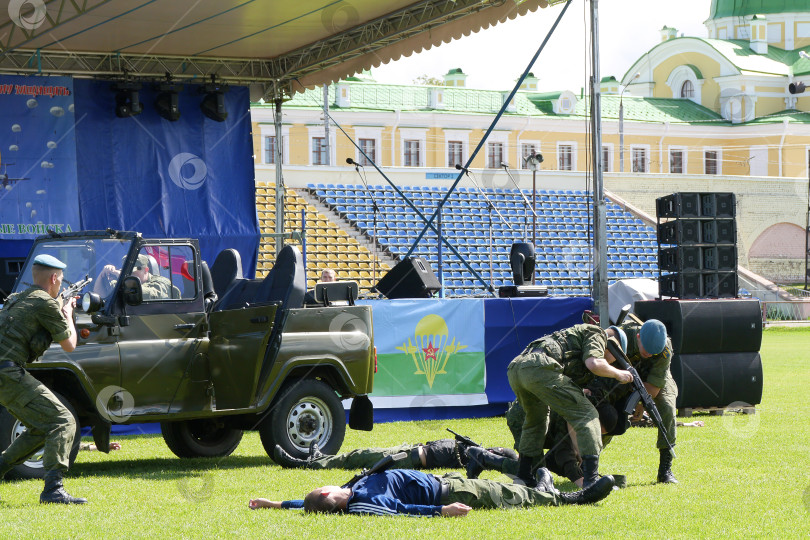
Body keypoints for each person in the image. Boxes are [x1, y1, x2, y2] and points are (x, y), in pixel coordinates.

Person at [0, 254, 87, 504]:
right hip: (8, 372)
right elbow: (70, 344)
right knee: (63, 421)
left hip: (4, 374)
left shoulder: (18, 299)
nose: (60, 283)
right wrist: (68, 312)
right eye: (60, 279)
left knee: (41, 427)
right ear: (53, 278)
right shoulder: (46, 305)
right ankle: (53, 489)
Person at [507, 324, 632, 488]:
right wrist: (619, 374)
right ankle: (591, 480)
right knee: (588, 414)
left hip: (517, 368)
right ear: (613, 345)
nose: (611, 361)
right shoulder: (598, 333)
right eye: (614, 357)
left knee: (536, 421)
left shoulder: (578, 337)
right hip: (540, 367)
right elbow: (594, 363)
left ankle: (524, 476)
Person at [248, 468, 616, 516]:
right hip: (444, 492)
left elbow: (306, 503)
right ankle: (570, 497)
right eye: (325, 487)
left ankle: (541, 487)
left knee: (498, 486)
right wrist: (442, 512)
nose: (331, 484)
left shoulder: (348, 490)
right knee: (502, 495)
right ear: (329, 497)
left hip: (442, 479)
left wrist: (276, 503)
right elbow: (403, 510)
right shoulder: (364, 503)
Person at [468, 398, 620, 487]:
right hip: (524, 419)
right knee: (535, 474)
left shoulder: (586, 414)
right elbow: (564, 453)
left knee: (546, 468)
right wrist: (585, 483)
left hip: (542, 424)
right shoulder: (575, 415)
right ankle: (483, 458)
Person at [616, 318, 679, 483]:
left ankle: (665, 470)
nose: (649, 355)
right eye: (646, 351)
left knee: (667, 408)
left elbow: (654, 386)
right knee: (610, 411)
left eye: (653, 353)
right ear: (638, 337)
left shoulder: (665, 350)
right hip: (623, 377)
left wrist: (640, 403)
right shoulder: (622, 336)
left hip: (654, 379)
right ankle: (587, 463)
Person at [272, 438, 516, 470]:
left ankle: (302, 464)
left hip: (410, 458)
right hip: (411, 450)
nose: (492, 449)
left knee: (358, 458)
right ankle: (316, 458)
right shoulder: (474, 452)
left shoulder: (475, 459)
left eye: (497, 452)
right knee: (361, 453)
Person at [95, 254, 178, 300]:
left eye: (133, 271)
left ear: (146, 269)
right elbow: (100, 295)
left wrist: (123, 278)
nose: (130, 274)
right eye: (127, 271)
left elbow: (149, 295)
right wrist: (102, 274)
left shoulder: (162, 283)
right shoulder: (123, 282)